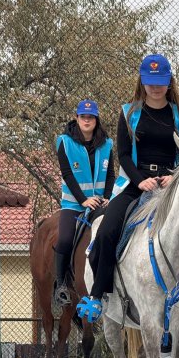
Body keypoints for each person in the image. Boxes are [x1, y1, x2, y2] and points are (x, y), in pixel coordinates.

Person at [77, 53, 179, 321]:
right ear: (142, 82)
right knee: (107, 230)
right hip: (134, 184)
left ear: (169, 83)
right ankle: (98, 295)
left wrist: (174, 177)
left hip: (171, 186)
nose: (155, 87)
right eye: (150, 81)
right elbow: (123, 153)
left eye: (160, 81)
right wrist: (139, 179)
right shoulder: (129, 113)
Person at [53, 99, 123, 306]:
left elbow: (110, 174)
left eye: (90, 117)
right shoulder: (64, 142)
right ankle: (61, 284)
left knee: (110, 234)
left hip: (100, 203)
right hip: (74, 204)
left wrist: (108, 197)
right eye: (83, 116)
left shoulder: (106, 144)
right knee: (65, 239)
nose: (87, 120)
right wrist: (83, 200)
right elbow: (67, 174)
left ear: (96, 120)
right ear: (77, 118)